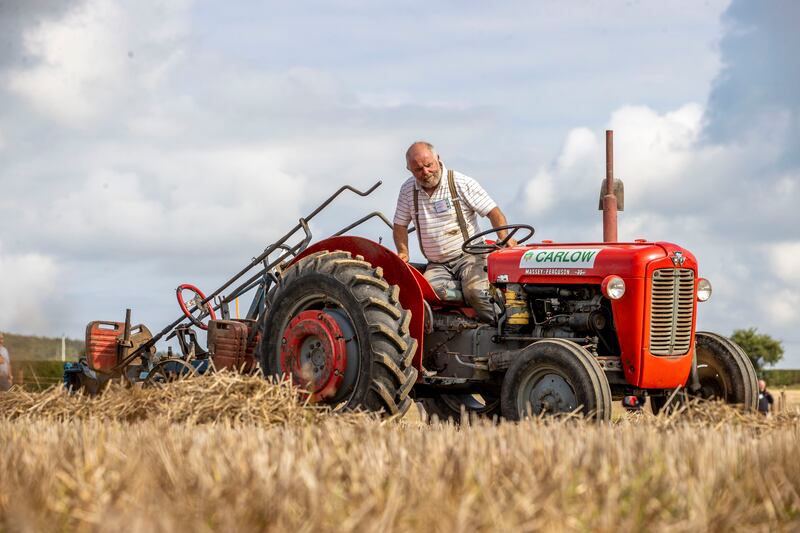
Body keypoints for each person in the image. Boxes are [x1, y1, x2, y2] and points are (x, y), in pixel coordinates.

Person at [393, 141, 517, 323]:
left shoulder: (460, 182)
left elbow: (493, 212)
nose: (425, 172)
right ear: (409, 169)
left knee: (476, 292)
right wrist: (403, 252)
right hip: (437, 264)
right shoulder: (408, 190)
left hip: (470, 256)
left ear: (438, 159)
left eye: (429, 165)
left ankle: (501, 328)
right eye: (418, 169)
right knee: (426, 293)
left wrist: (504, 238)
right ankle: (461, 328)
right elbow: (400, 225)